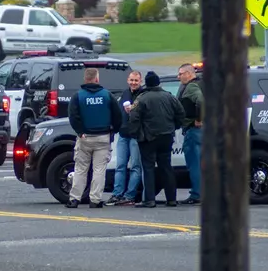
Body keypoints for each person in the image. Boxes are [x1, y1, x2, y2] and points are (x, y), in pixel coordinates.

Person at [66, 66, 123, 210]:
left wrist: (80, 132)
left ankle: (74, 199)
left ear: (85, 79)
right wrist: (113, 130)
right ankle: (95, 199)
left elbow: (73, 116)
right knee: (99, 170)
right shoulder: (107, 95)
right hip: (103, 137)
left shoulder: (78, 96)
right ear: (97, 78)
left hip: (85, 137)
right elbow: (118, 116)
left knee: (80, 169)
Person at [128, 71, 184, 208]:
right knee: (166, 167)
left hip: (148, 138)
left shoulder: (142, 98)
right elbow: (181, 113)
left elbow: (134, 118)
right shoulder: (169, 97)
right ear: (158, 82)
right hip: (166, 136)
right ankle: (171, 199)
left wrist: (136, 134)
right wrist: (174, 127)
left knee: (148, 168)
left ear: (146, 83)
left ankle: (150, 199)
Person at [108, 70, 144, 206]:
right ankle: (117, 194)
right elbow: (118, 112)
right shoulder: (125, 93)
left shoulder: (143, 94)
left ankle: (130, 195)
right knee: (120, 166)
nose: (133, 83)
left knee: (135, 166)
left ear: (140, 81)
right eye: (131, 80)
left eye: (136, 80)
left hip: (136, 135)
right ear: (128, 80)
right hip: (123, 134)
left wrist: (133, 111)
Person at [176, 64, 204, 205]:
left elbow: (201, 102)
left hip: (194, 130)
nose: (178, 76)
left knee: (194, 164)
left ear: (188, 73)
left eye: (180, 74)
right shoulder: (201, 84)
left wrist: (199, 119)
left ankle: (196, 194)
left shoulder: (192, 87)